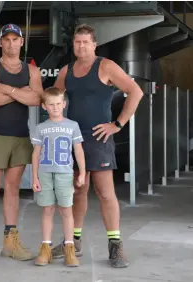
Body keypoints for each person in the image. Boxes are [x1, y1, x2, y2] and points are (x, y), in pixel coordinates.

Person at [51, 24, 144, 268]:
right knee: (79, 190)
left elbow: (135, 92)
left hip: (99, 138)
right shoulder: (66, 71)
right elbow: (52, 99)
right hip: (73, 139)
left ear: (94, 45)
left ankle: (115, 246)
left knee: (105, 193)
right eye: (77, 42)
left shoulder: (106, 66)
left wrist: (117, 124)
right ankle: (75, 241)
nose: (81, 46)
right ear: (73, 45)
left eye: (85, 42)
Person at [0, 23, 43, 265]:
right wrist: (19, 92)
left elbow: (36, 99)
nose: (11, 44)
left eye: (16, 39)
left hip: (20, 137)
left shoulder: (31, 71)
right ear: (0, 43)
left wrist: (7, 88)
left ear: (22, 42)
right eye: (7, 39)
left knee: (13, 189)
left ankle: (10, 244)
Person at [31, 87, 86, 267]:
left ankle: (69, 248)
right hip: (45, 173)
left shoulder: (72, 125)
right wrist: (34, 177)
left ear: (64, 104)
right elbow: (36, 153)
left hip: (64, 173)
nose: (55, 108)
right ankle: (45, 248)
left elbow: (78, 150)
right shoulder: (40, 128)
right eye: (51, 105)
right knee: (47, 210)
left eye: (58, 104)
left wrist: (82, 172)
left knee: (66, 210)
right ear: (44, 106)